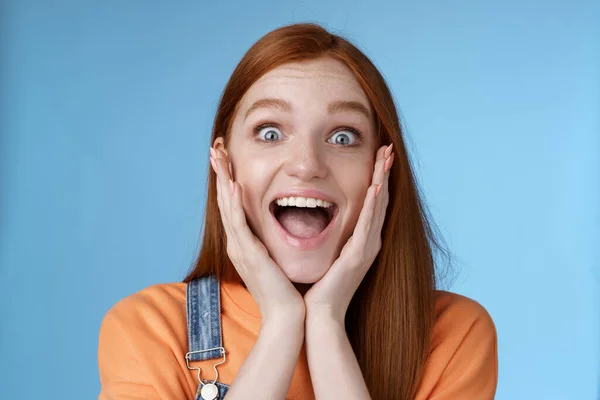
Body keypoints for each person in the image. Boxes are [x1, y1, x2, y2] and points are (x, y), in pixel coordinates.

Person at [98, 23, 498, 400]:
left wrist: (325, 322)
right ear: (224, 162)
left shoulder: (451, 334)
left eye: (344, 136)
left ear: (383, 167)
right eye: (270, 132)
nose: (307, 164)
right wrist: (282, 323)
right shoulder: (148, 329)